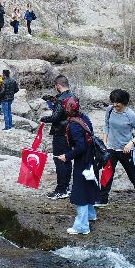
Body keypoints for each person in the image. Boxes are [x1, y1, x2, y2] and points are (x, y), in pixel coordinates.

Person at [55, 97, 99, 235]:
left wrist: (66, 156)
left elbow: (80, 147)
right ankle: (91, 215)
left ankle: (82, 226)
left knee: (80, 192)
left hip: (83, 161)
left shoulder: (74, 125)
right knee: (89, 186)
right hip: (91, 159)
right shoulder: (84, 118)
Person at [98, 89, 135, 206]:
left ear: (124, 102)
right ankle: (103, 199)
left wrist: (131, 143)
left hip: (126, 149)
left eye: (117, 103)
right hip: (111, 148)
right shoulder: (109, 110)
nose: (115, 105)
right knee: (107, 173)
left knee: (132, 174)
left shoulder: (130, 115)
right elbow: (106, 125)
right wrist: (105, 141)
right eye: (113, 102)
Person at [41, 75, 77, 200]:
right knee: (67, 159)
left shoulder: (61, 99)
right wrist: (52, 100)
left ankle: (61, 190)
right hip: (71, 132)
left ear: (58, 86)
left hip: (60, 133)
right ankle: (66, 188)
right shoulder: (73, 96)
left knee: (59, 160)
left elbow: (56, 117)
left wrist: (44, 119)